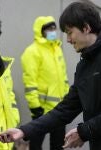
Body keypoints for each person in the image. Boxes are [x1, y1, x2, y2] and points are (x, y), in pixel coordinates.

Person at [0, 2, 101, 150]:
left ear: (86, 28)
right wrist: (23, 131)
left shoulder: (61, 52)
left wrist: (84, 132)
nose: (68, 39)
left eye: (70, 32)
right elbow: (65, 109)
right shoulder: (84, 66)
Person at [21, 16, 69, 150]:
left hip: (60, 107)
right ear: (40, 31)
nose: (53, 31)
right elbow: (29, 81)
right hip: (41, 109)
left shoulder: (57, 49)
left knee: (59, 145)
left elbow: (63, 77)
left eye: (54, 28)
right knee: (36, 145)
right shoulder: (31, 52)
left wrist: (66, 99)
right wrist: (35, 106)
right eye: (49, 28)